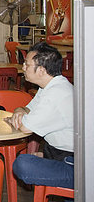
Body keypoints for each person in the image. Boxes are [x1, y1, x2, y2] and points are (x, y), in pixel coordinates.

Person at [11, 43, 73, 190]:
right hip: (57, 153)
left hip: (74, 163)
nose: (23, 68)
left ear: (41, 70)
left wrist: (21, 115)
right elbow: (27, 108)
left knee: (22, 164)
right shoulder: (48, 87)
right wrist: (20, 110)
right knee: (29, 159)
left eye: (27, 64)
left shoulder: (56, 93)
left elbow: (26, 127)